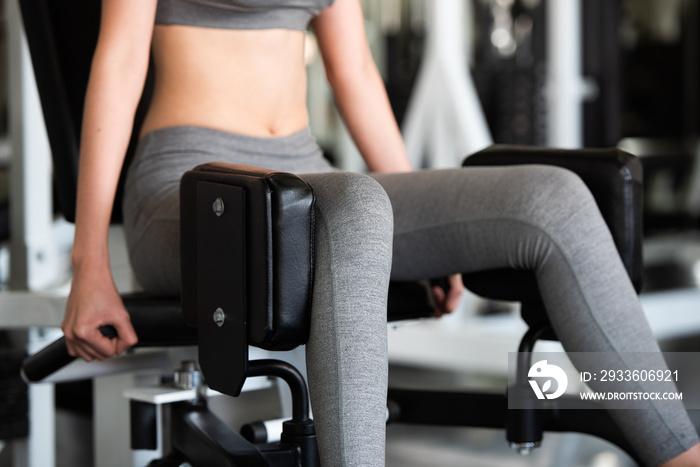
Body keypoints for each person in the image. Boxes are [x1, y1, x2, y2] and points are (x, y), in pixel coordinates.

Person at [60, 0, 700, 465]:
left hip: (306, 176)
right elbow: (118, 61)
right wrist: (89, 263)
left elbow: (355, 71)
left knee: (554, 197)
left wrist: (433, 236)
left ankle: (679, 452)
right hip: (198, 191)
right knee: (357, 207)